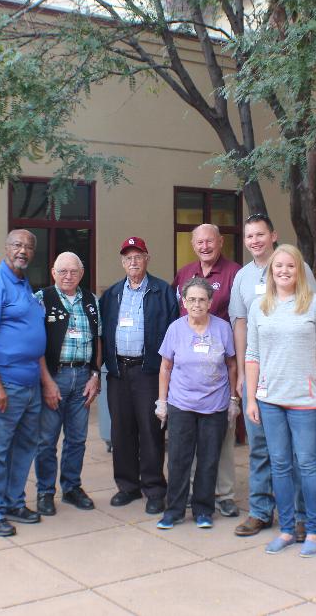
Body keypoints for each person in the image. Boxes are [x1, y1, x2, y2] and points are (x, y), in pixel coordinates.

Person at [228, 213, 316, 540]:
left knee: (294, 452)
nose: (255, 241)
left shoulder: (296, 267)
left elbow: (315, 315)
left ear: (273, 235)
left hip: (294, 375)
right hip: (258, 375)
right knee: (260, 447)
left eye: (260, 235)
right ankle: (260, 511)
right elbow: (240, 324)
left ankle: (296, 516)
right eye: (249, 236)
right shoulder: (242, 278)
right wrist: (240, 371)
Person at [245, 244, 316, 558]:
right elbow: (252, 356)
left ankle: (312, 529)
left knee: (307, 465)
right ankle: (286, 529)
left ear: (300, 270)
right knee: (280, 466)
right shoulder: (260, 307)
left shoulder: (315, 305)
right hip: (270, 400)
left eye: (290, 266)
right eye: (278, 266)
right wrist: (252, 399)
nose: (283, 271)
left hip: (305, 399)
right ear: (271, 271)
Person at [0, 229, 52, 537]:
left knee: (23, 447)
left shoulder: (24, 286)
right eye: (17, 245)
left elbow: (31, 337)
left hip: (27, 385)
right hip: (0, 384)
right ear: (6, 248)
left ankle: (13, 502)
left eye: (29, 246)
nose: (23, 251)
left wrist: (44, 382)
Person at [100, 236, 180, 514]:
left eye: (138, 256)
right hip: (119, 372)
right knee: (121, 430)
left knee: (150, 430)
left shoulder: (162, 291)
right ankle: (127, 486)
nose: (133, 261)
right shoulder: (111, 295)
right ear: (122, 262)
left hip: (149, 372)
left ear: (147, 258)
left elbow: (173, 333)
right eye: (128, 257)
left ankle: (155, 488)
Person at [171, 223, 243, 518]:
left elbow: (240, 317)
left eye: (209, 241)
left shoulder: (234, 273)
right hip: (188, 371)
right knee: (186, 441)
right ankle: (190, 492)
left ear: (220, 242)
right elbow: (178, 316)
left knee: (221, 438)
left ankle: (224, 494)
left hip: (220, 366)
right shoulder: (184, 273)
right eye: (199, 242)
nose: (204, 246)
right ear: (192, 244)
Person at [155, 278, 237, 530]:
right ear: (184, 302)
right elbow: (165, 367)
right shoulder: (175, 329)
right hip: (181, 403)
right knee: (178, 459)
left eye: (202, 299)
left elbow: (232, 365)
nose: (197, 304)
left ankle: (203, 510)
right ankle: (174, 511)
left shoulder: (223, 329)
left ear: (211, 302)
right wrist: (162, 402)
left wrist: (234, 399)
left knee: (209, 458)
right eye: (192, 299)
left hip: (215, 404)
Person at [33, 252, 102, 516]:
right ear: (53, 272)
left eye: (73, 271)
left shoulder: (91, 301)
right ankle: (45, 492)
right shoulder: (42, 300)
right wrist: (46, 381)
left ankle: (72, 487)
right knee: (47, 440)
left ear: (81, 273)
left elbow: (98, 339)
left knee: (77, 439)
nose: (68, 276)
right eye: (62, 271)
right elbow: (35, 344)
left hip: (83, 377)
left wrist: (95, 375)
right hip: (54, 377)